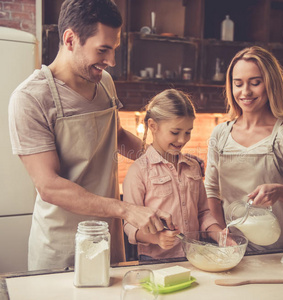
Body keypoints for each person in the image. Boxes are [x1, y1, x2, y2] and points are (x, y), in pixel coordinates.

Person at [8, 0, 173, 271]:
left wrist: (165, 159)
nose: (111, 62)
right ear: (70, 39)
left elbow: (116, 136)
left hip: (108, 238)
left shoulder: (104, 82)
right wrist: (126, 209)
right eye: (103, 50)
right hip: (63, 244)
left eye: (114, 49)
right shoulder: (31, 99)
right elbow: (49, 186)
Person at [204, 46, 283, 252]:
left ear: (271, 84)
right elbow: (211, 192)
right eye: (238, 84)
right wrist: (223, 236)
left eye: (255, 83)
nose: (245, 92)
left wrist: (281, 192)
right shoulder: (220, 135)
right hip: (233, 252)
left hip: (279, 253)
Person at [123, 89, 223, 260]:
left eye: (188, 132)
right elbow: (130, 227)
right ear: (153, 126)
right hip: (155, 261)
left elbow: (203, 213)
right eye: (175, 132)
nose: (182, 140)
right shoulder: (138, 171)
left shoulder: (193, 167)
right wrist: (157, 238)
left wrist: (220, 234)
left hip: (194, 257)